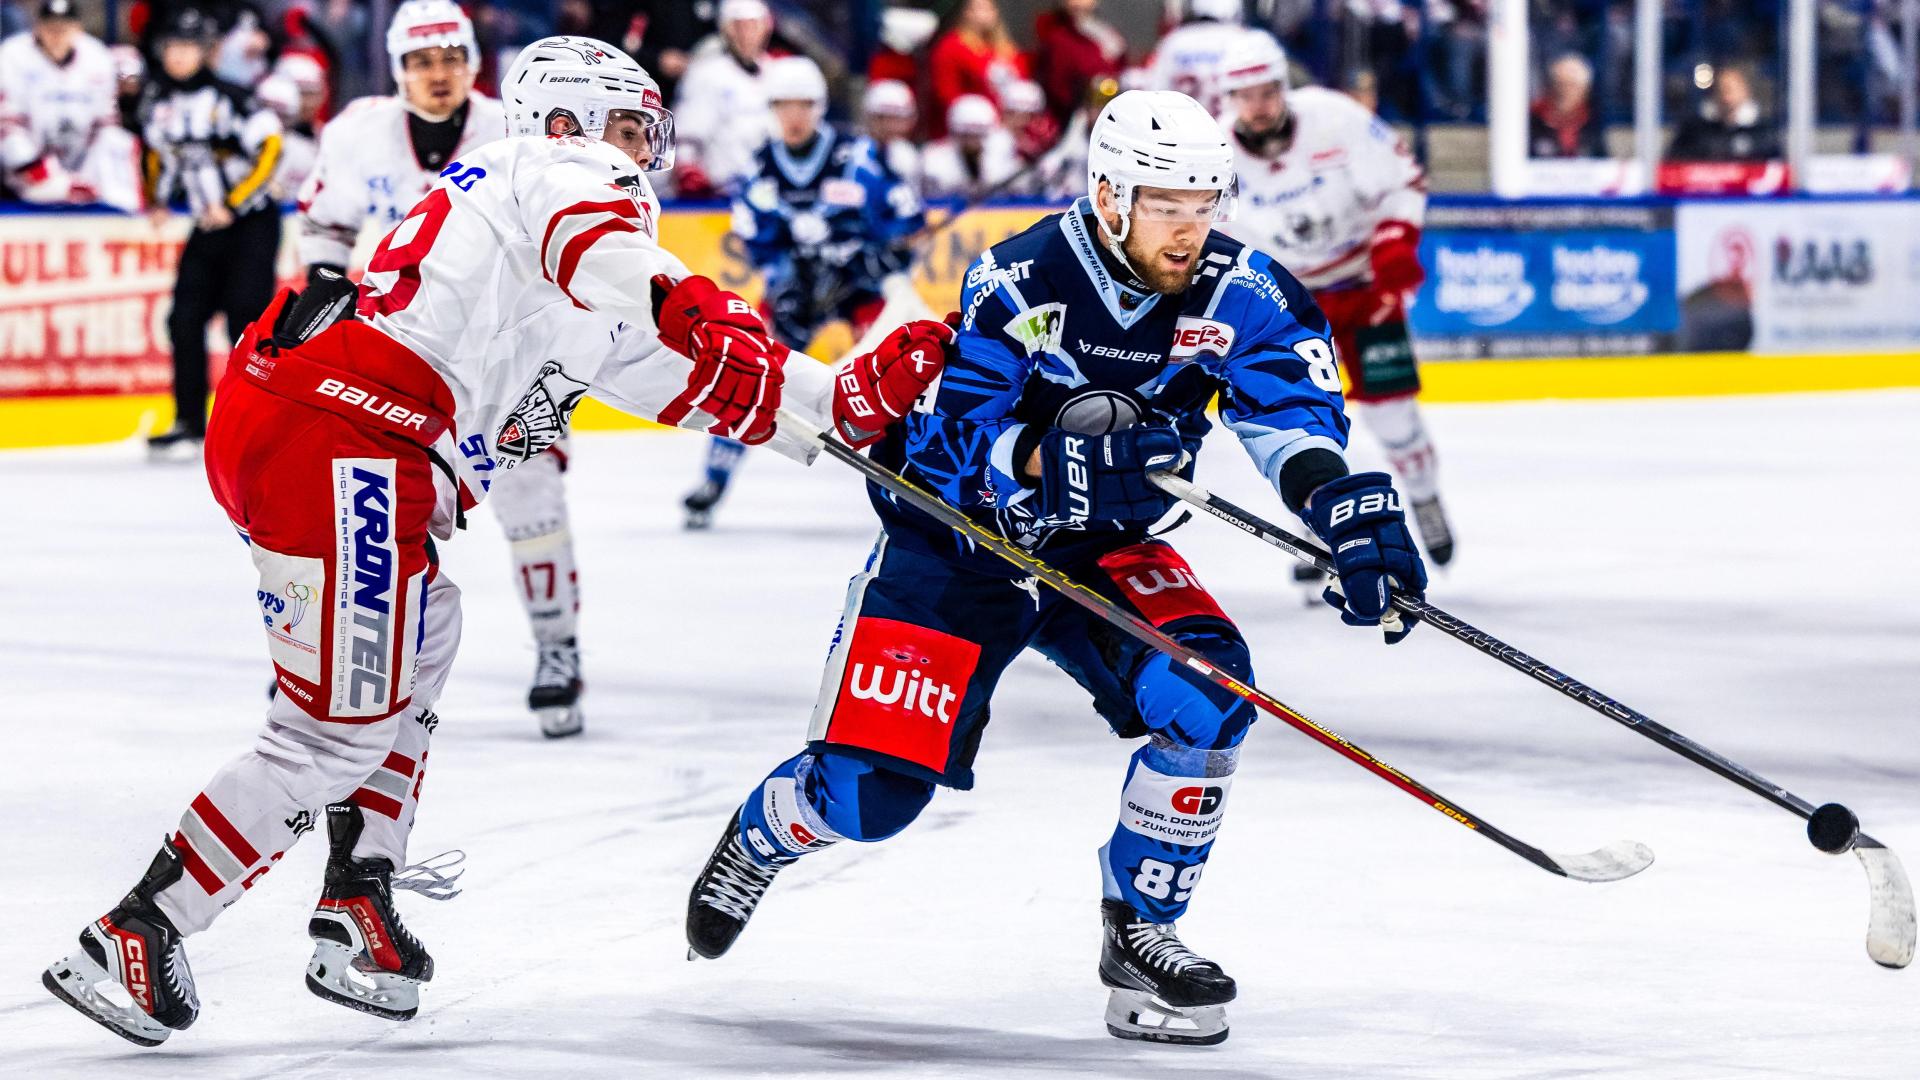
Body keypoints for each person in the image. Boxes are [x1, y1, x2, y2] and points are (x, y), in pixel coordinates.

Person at [40, 34, 949, 1048]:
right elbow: (630, 271)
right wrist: (706, 308)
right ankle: (141, 926)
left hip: (331, 427)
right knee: (330, 730)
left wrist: (846, 403)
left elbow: (706, 383)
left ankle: (358, 895)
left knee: (425, 632)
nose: (643, 153)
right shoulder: (546, 169)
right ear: (568, 120)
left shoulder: (566, 261)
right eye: (629, 129)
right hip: (348, 432)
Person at [683, 89, 1428, 1047]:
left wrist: (1345, 509)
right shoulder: (1020, 277)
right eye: (1167, 204)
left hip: (1100, 548)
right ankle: (764, 829)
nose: (1191, 228)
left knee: (1210, 692)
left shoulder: (1246, 292)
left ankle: (1141, 938)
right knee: (871, 801)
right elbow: (952, 448)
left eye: (1205, 204)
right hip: (960, 544)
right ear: (1111, 195)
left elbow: (1290, 416)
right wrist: (1048, 454)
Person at [299, 1, 601, 737]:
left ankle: (558, 648)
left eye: (451, 58)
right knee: (377, 513)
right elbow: (326, 225)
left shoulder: (518, 129)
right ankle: (362, 664)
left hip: (511, 358)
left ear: (474, 62)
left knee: (531, 501)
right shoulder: (356, 134)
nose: (438, 75)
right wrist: (321, 293)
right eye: (422, 61)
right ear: (398, 68)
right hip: (406, 358)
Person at [1214, 32, 1456, 568]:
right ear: (1228, 100)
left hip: (1364, 287)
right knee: (1301, 417)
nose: (1258, 105)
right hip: (1288, 304)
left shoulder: (1334, 118)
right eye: (1244, 95)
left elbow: (1404, 181)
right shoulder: (1214, 153)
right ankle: (1321, 520)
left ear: (1284, 86)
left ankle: (1423, 495)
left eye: (1267, 90)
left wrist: (1393, 248)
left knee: (1394, 414)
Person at [681, 55, 924, 529]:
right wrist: (785, 272)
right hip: (797, 294)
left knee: (904, 371)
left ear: (818, 108)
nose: (794, 117)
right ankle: (714, 479)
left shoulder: (858, 158)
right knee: (745, 372)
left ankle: (920, 482)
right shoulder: (760, 168)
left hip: (858, 288)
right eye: (783, 106)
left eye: (804, 106)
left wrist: (882, 255)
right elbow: (755, 239)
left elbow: (908, 222)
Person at [138, 7, 283, 460]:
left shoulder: (233, 100)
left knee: (247, 322)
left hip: (252, 225)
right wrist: (158, 198)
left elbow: (271, 148)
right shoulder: (158, 103)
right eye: (173, 49)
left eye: (189, 48)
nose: (179, 57)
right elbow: (158, 156)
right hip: (207, 225)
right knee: (183, 319)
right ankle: (187, 420)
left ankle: (253, 420)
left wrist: (235, 202)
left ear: (206, 52)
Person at [0, 0, 142, 209]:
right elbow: (7, 128)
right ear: (37, 27)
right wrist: (41, 172)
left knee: (118, 141)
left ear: (78, 28)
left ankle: (128, 219)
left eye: (64, 28)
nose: (57, 35)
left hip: (82, 163)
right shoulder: (12, 55)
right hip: (28, 169)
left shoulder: (97, 56)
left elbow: (107, 125)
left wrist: (87, 178)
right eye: (50, 27)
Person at [669, 0, 774, 197]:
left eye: (753, 25)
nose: (747, 34)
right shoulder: (706, 74)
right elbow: (685, 137)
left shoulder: (780, 73)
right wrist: (688, 170)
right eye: (739, 26)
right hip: (722, 196)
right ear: (726, 30)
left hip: (771, 192)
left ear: (767, 27)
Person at [927, 0, 1028, 132]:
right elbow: (946, 93)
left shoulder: (1008, 50)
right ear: (966, 13)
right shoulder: (951, 47)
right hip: (970, 130)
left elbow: (1023, 86)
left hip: (1010, 129)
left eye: (990, 9)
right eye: (979, 9)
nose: (985, 14)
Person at [1031, 0, 1127, 130]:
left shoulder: (1107, 34)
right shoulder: (1057, 37)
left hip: (1112, 113)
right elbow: (1058, 87)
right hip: (1075, 120)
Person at [1667, 61, 1781, 162]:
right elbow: (1674, 165)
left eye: (1731, 89)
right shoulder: (1695, 131)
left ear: (1746, 91)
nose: (1726, 96)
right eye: (1721, 89)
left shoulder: (1763, 133)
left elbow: (1776, 170)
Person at [1144, 0, 1242, 115]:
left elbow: (1155, 90)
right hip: (1224, 126)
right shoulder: (1238, 38)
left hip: (1180, 124)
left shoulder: (1174, 40)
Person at [920, 92, 1024, 200]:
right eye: (967, 135)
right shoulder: (933, 159)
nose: (972, 141)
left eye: (978, 135)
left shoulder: (1002, 151)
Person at [1530, 52, 1605, 158]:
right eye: (1559, 84)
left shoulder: (1595, 122)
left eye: (1571, 85)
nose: (1564, 91)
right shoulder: (1532, 120)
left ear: (1584, 90)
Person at [861, 77, 921, 189]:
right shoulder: (855, 153)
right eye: (883, 118)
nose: (892, 126)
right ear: (869, 118)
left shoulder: (907, 154)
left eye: (899, 119)